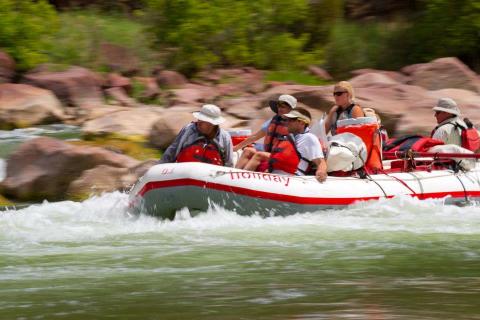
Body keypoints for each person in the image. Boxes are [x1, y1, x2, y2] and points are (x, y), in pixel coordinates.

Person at [234, 94, 296, 170]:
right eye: (279, 105)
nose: (280, 108)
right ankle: (234, 175)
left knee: (259, 155)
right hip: (270, 152)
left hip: (282, 156)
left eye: (283, 106)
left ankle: (242, 177)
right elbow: (255, 136)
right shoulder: (274, 121)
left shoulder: (294, 124)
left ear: (291, 109)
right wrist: (237, 147)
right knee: (248, 150)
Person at [159, 104, 234, 167]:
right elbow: (173, 150)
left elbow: (229, 163)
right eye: (199, 119)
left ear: (212, 124)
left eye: (203, 120)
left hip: (212, 177)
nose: (199, 122)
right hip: (183, 172)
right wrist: (159, 167)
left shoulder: (225, 137)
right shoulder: (188, 129)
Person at [269, 107, 327, 182]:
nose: (287, 122)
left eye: (291, 120)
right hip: (276, 177)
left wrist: (321, 171)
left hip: (292, 180)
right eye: (287, 119)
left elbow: (321, 162)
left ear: (302, 123)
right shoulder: (289, 137)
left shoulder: (309, 138)